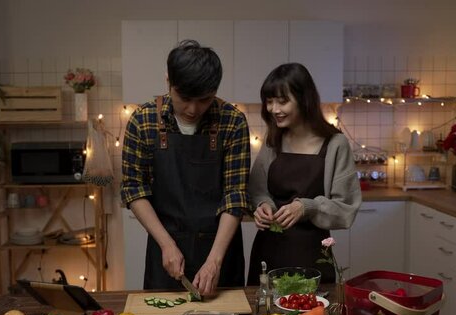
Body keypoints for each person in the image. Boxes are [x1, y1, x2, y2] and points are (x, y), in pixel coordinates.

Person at [120, 40, 251, 295]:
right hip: (166, 245)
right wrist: (167, 245)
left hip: (220, 250)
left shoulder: (232, 121)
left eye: (204, 100)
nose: (193, 109)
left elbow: (235, 196)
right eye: (185, 98)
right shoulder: (143, 121)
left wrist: (214, 261)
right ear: (168, 81)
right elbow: (134, 190)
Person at [247, 63, 361, 285]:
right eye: (269, 101)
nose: (273, 109)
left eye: (282, 101)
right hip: (268, 252)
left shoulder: (335, 144)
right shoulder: (273, 140)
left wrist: (307, 207)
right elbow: (257, 189)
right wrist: (262, 206)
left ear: (304, 99)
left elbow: (346, 207)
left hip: (311, 256)